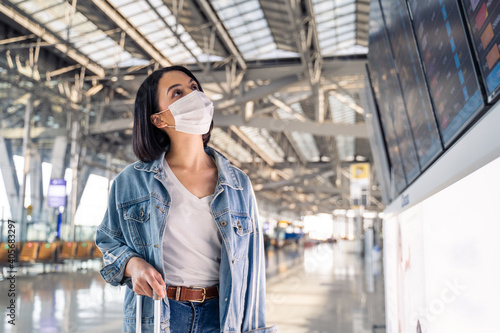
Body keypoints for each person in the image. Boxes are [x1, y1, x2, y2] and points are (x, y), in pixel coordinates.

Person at [95, 65, 277, 333]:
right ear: (158, 119)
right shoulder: (130, 181)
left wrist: (255, 328)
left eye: (194, 88)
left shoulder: (238, 184)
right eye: (177, 93)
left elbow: (252, 269)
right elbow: (108, 242)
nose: (193, 96)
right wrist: (133, 266)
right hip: (160, 312)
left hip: (223, 314)